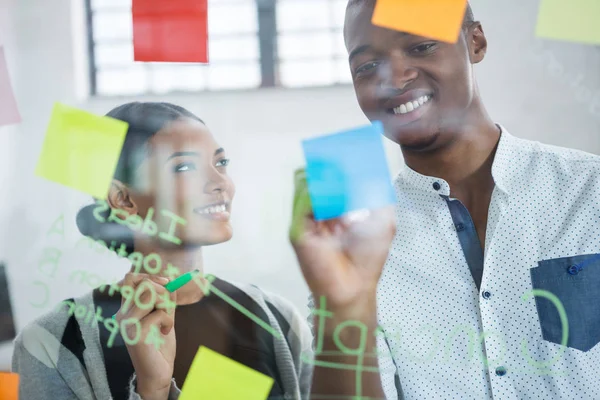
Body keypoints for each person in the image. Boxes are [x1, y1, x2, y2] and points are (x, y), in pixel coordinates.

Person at [290, 1, 600, 399]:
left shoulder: (589, 189)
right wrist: (344, 304)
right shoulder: (354, 238)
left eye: (420, 47)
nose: (395, 78)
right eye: (367, 66)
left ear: (475, 41)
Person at [12, 102, 313, 400]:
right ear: (123, 199)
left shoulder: (278, 317)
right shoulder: (50, 343)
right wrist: (152, 390)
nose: (221, 183)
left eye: (220, 163)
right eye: (184, 167)